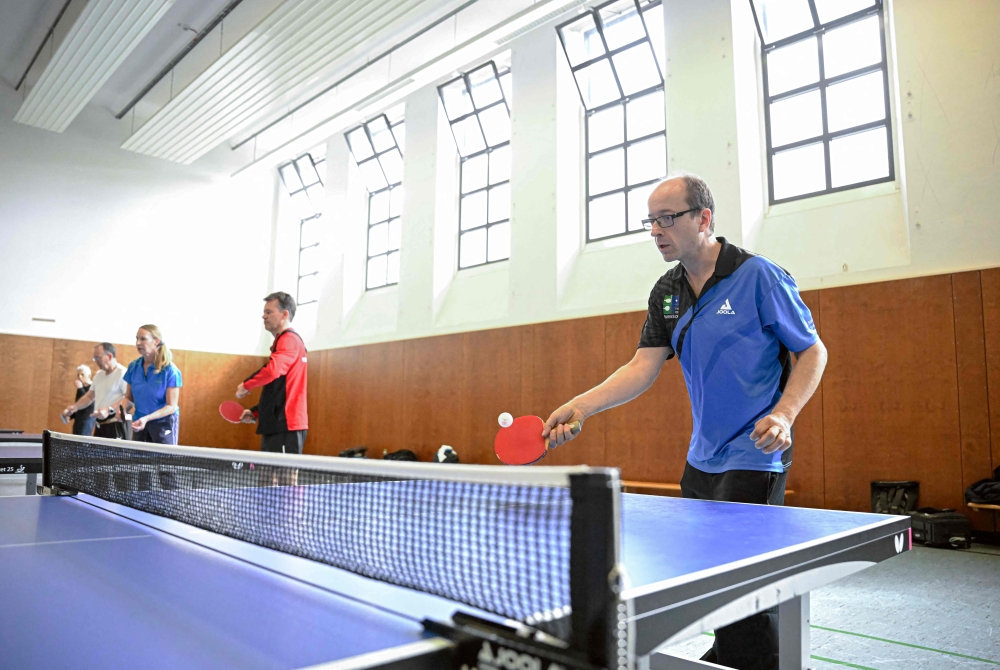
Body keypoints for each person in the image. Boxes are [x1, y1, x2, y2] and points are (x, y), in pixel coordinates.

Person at [543, 173, 828, 670]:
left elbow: (813, 351)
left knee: (746, 583)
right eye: (650, 221)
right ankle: (732, 650)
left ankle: (753, 659)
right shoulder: (668, 291)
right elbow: (643, 365)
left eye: (667, 218)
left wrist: (784, 414)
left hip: (754, 453)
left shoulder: (758, 276)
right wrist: (582, 405)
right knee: (715, 576)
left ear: (704, 218)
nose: (656, 230)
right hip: (702, 456)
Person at [236, 292, 308, 454]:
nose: (263, 316)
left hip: (287, 424)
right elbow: (277, 387)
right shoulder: (283, 342)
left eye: (269, 312)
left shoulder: (289, 340)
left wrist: (246, 385)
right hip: (277, 422)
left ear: (284, 314)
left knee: (286, 476)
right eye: (264, 312)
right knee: (267, 475)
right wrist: (257, 411)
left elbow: (273, 371)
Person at [124, 325, 183, 444]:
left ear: (156, 342)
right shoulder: (133, 367)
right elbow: (129, 398)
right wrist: (122, 410)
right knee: (138, 461)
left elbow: (171, 406)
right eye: (137, 339)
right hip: (139, 423)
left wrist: (147, 418)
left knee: (162, 462)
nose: (138, 343)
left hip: (163, 424)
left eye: (143, 339)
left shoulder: (170, 371)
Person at [62, 343, 130, 439]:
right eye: (94, 359)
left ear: (109, 356)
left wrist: (109, 409)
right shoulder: (98, 375)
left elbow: (128, 398)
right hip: (100, 425)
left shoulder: (123, 373)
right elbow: (89, 396)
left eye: (98, 358)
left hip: (116, 425)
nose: (95, 361)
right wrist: (75, 407)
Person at [68, 365, 95, 436]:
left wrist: (80, 388)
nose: (80, 377)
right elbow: (79, 405)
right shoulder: (81, 388)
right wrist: (70, 415)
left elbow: (88, 402)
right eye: (78, 375)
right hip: (78, 420)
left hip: (87, 420)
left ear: (89, 375)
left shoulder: (92, 388)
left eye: (82, 374)